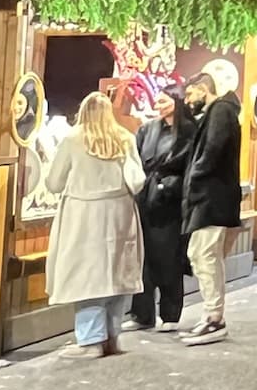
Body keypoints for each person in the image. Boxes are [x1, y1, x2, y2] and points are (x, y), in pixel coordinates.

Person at [45, 92, 147, 358]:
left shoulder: (72, 139)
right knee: (116, 275)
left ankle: (90, 341)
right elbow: (137, 181)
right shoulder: (125, 138)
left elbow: (54, 183)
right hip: (120, 214)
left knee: (86, 277)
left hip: (83, 215)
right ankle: (113, 337)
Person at [181, 62, 244, 345]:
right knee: (204, 255)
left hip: (212, 198)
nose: (187, 101)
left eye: (190, 93)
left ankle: (214, 318)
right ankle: (212, 315)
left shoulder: (220, 111)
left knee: (204, 255)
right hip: (215, 197)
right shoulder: (225, 111)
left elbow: (213, 149)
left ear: (204, 89)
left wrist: (196, 175)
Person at [129, 90, 196, 330]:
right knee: (143, 259)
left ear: (176, 103)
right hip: (145, 198)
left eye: (164, 100)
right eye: (156, 100)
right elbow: (136, 159)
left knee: (168, 258)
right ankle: (142, 313)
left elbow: (189, 167)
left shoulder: (189, 131)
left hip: (170, 201)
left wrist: (171, 186)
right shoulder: (148, 129)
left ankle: (170, 314)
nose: (158, 104)